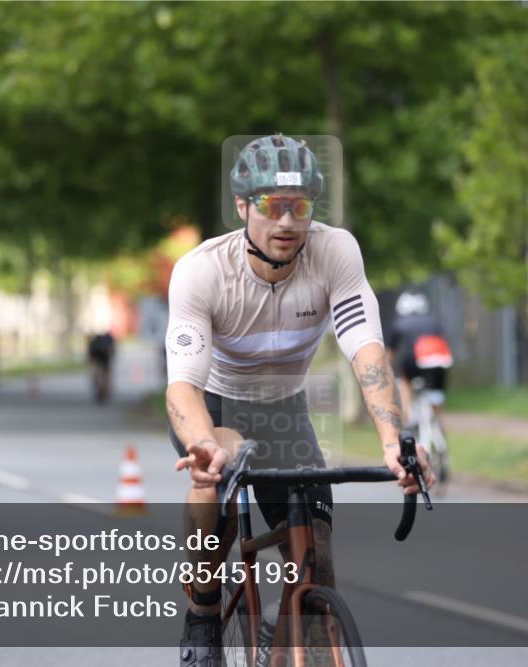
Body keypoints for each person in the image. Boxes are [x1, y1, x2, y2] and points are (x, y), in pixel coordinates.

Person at [165, 133, 435, 666]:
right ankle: (202, 614)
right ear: (243, 206)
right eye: (271, 206)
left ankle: (302, 640)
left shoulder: (336, 252)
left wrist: (392, 444)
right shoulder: (202, 271)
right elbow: (183, 386)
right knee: (214, 472)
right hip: (215, 405)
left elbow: (366, 349)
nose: (287, 222)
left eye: (300, 206)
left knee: (316, 556)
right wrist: (202, 446)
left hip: (285, 407)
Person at [386, 290, 453, 425]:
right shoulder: (433, 320)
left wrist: (387, 370)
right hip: (439, 362)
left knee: (405, 381)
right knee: (436, 392)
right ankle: (437, 423)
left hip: (413, 362)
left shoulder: (400, 323)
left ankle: (408, 416)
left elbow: (390, 353)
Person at [87, 332, 115, 403]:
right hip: (104, 355)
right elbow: (112, 353)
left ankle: (97, 382)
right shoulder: (108, 342)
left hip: (96, 353)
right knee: (106, 372)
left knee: (96, 370)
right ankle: (104, 387)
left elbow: (90, 358)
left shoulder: (93, 343)